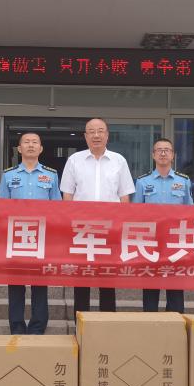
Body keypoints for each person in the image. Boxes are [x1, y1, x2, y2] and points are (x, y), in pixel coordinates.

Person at [60, 117, 135, 314]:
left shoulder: (119, 161)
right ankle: (80, 323)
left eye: (100, 131)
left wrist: (122, 226)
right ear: (85, 136)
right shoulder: (74, 160)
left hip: (110, 230)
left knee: (107, 279)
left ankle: (107, 324)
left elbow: (124, 196)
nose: (96, 135)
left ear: (107, 135)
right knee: (81, 280)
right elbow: (67, 195)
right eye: (91, 131)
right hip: (81, 230)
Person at [0, 132, 61, 333]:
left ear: (41, 149)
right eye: (26, 142)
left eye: (35, 142)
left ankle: (38, 326)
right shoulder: (8, 175)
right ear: (19, 148)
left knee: (40, 283)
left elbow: (57, 208)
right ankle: (16, 326)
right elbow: (1, 208)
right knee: (15, 284)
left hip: (41, 237)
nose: (31, 145)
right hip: (16, 237)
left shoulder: (51, 175)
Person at [133, 138, 193, 313]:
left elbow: (190, 211)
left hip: (176, 242)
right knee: (150, 289)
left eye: (167, 150)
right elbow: (135, 214)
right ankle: (151, 322)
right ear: (153, 155)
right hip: (151, 242)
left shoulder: (184, 181)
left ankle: (175, 323)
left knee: (175, 290)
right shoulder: (142, 182)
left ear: (173, 155)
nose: (163, 153)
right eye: (159, 150)